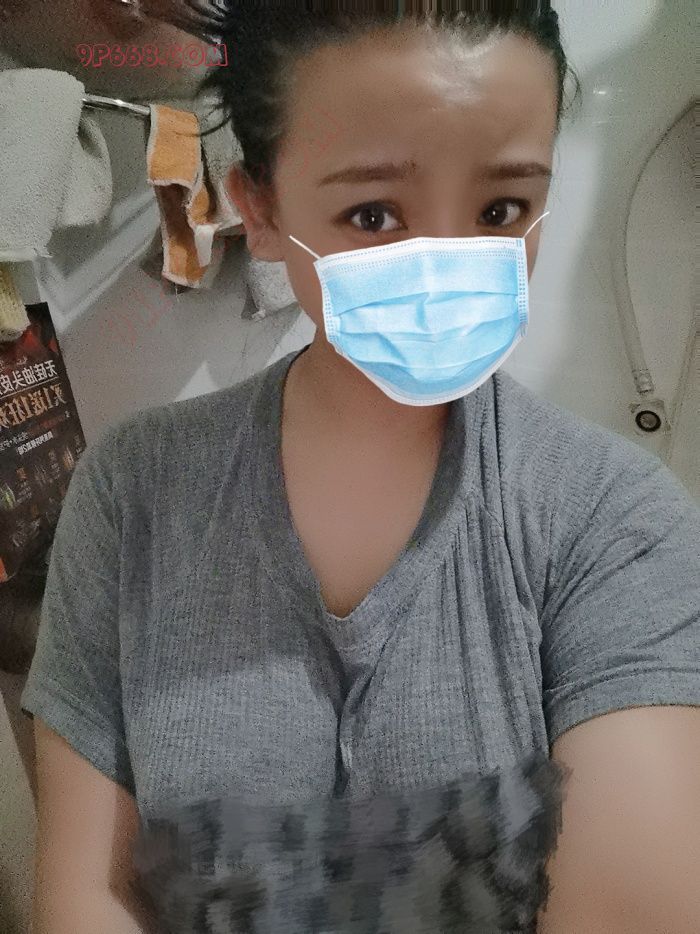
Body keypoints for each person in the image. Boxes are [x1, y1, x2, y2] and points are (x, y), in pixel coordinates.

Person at [21, 3, 700, 933]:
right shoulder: (133, 490)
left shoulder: (616, 519)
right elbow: (89, 894)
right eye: (373, 214)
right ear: (261, 211)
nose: (446, 261)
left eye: (500, 210)